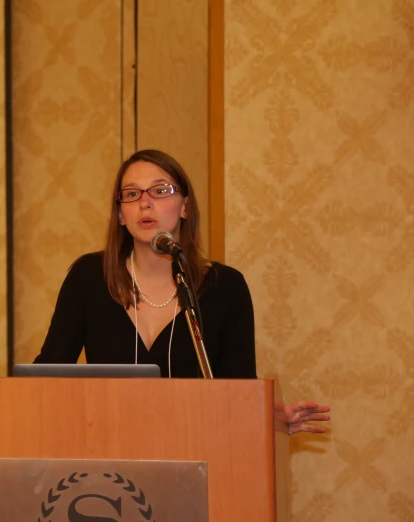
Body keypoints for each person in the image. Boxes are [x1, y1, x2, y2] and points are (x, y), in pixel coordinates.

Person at [33, 149, 330, 435]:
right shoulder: (89, 278)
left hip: (196, 451)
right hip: (105, 454)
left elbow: (238, 390)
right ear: (121, 214)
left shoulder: (224, 287)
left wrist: (268, 416)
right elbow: (44, 379)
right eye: (132, 194)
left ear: (185, 206)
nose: (145, 204)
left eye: (160, 191)